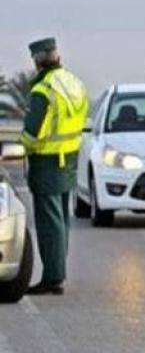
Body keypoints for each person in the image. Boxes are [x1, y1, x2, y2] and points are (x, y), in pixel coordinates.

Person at [19, 38, 89, 295]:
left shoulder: (43, 90)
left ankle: (53, 277)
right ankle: (57, 273)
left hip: (47, 161)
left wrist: (19, 147)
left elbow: (33, 133)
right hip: (68, 158)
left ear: (37, 60)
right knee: (61, 221)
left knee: (49, 224)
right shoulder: (73, 83)